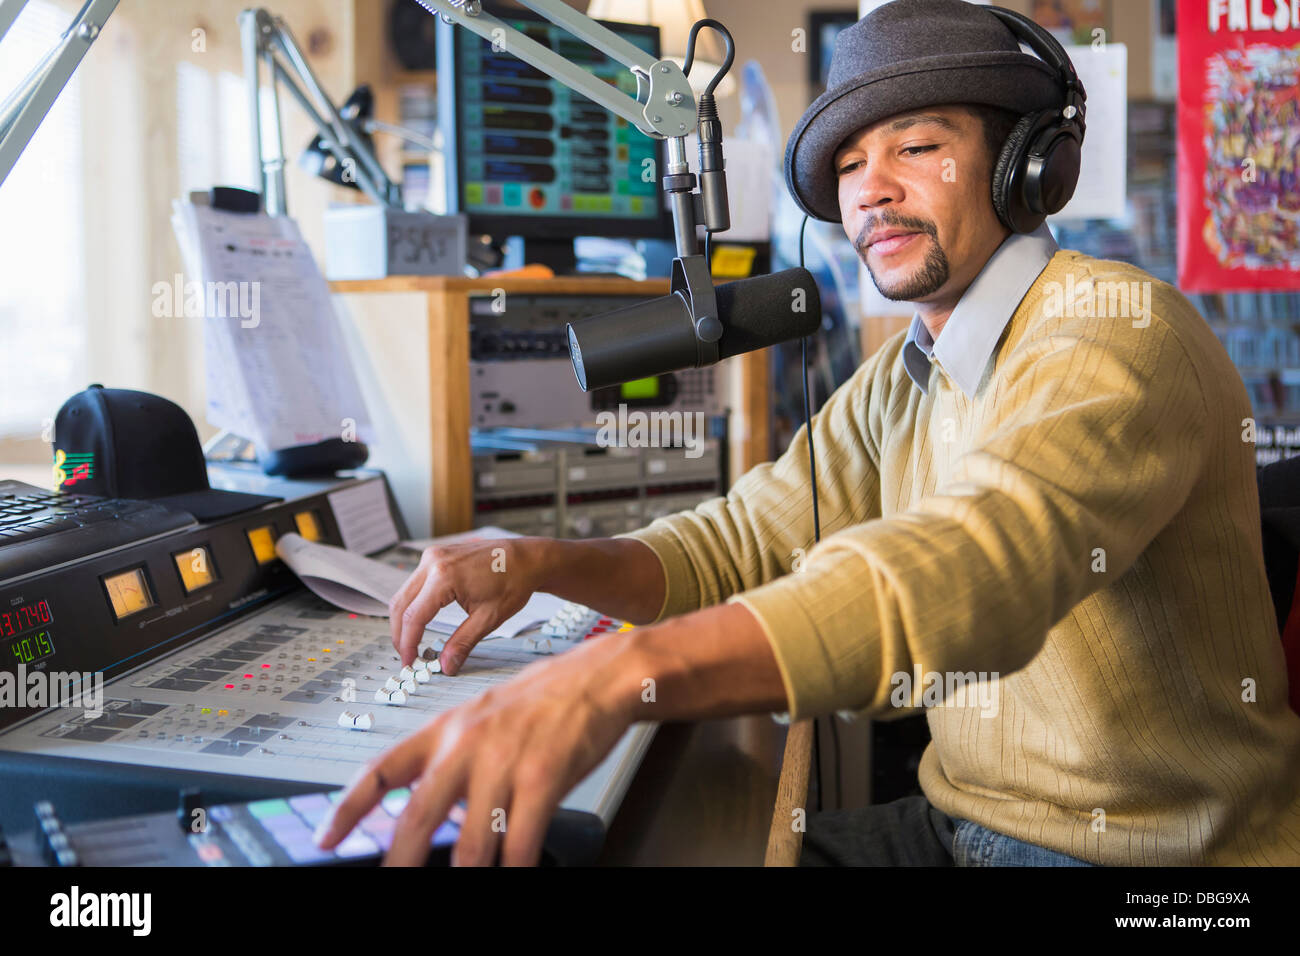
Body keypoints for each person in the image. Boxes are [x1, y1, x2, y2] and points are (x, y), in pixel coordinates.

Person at [315, 0, 1300, 866]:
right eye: (847, 165)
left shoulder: (1110, 333)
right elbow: (741, 541)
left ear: (1021, 164)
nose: (868, 189)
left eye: (914, 148)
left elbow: (977, 562)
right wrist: (541, 559)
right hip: (959, 828)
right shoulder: (900, 377)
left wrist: (614, 674)